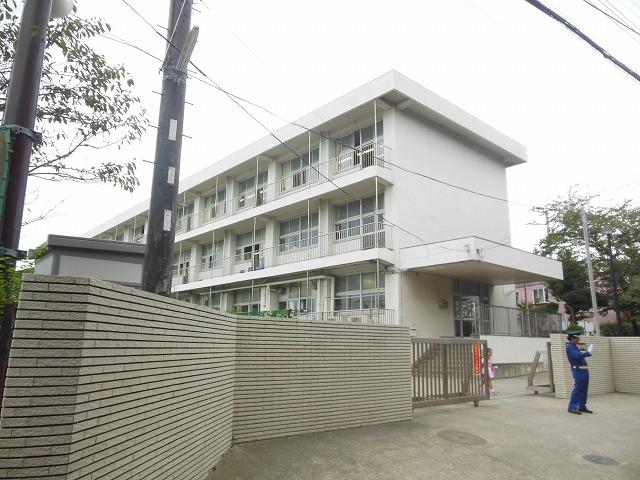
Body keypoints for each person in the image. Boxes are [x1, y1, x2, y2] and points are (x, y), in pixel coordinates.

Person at [566, 332, 594, 415]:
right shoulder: (570, 347)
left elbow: (579, 356)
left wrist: (587, 354)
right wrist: (587, 353)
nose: (578, 340)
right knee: (578, 389)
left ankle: (581, 406)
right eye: (577, 338)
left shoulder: (575, 347)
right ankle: (572, 407)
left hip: (583, 370)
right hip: (578, 370)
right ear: (572, 338)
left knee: (584, 389)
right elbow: (577, 356)